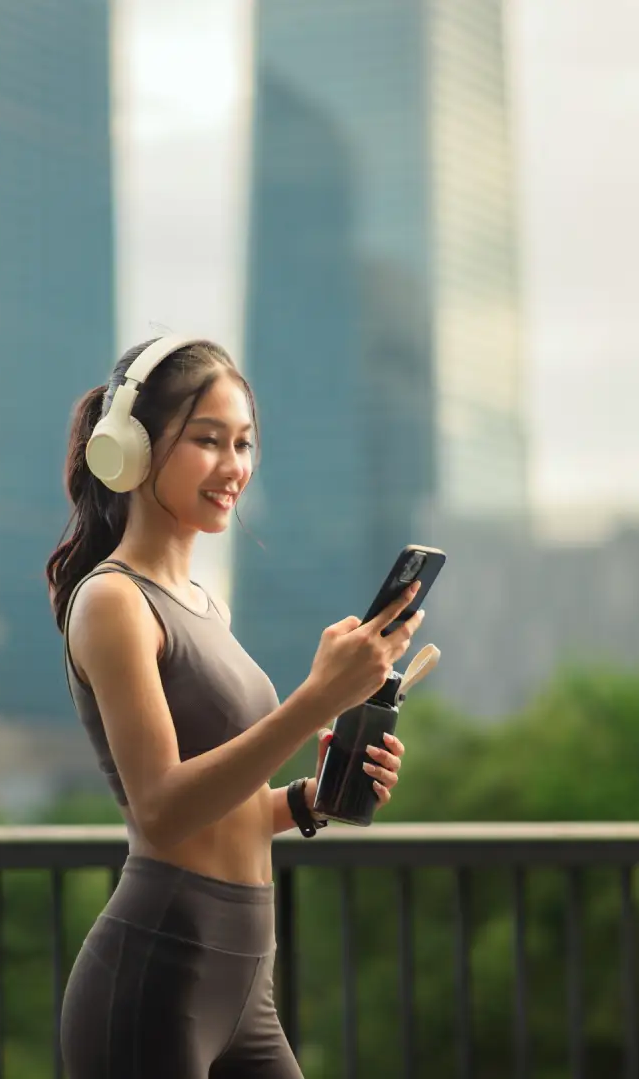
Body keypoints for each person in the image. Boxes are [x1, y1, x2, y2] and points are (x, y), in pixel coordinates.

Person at [45, 335, 423, 1078]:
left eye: (245, 443)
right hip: (156, 976)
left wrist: (308, 801)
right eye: (208, 440)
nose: (234, 467)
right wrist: (319, 697)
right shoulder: (114, 602)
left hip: (246, 981)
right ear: (131, 448)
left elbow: (227, 805)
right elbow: (161, 811)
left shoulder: (203, 606)